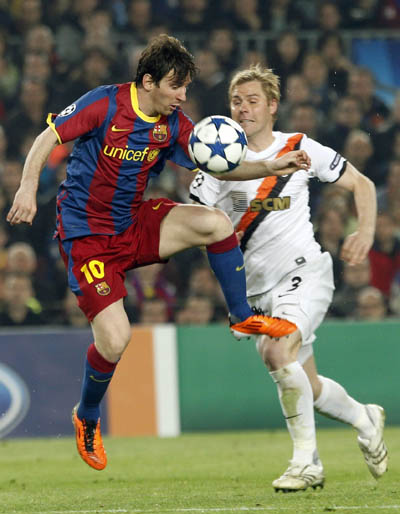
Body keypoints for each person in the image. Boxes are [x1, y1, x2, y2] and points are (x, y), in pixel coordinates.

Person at [7, 35, 309, 471]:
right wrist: (27, 188)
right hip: (87, 237)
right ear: (148, 81)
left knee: (215, 223)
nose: (182, 96)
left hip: (133, 223)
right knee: (115, 339)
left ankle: (241, 314)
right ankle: (87, 416)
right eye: (175, 87)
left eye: (185, 87)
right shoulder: (104, 105)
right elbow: (45, 139)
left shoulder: (173, 123)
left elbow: (216, 162)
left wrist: (269, 166)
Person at [190, 64, 388, 492]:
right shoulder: (217, 163)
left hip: (304, 272)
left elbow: (363, 184)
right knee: (306, 383)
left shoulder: (299, 146)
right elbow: (201, 230)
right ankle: (364, 417)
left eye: (252, 101)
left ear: (273, 106)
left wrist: (366, 231)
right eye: (236, 102)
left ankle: (307, 463)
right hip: (258, 291)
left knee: (279, 353)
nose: (243, 110)